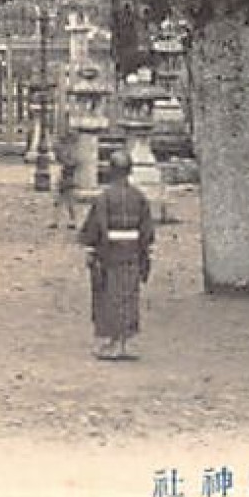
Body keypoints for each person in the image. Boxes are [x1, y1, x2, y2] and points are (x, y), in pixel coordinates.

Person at [78, 150, 154, 361]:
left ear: (111, 170)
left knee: (109, 296)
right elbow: (147, 231)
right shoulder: (139, 197)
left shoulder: (104, 198)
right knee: (129, 296)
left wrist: (92, 249)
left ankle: (113, 342)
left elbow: (96, 227)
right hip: (132, 253)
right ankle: (126, 343)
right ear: (130, 171)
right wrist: (144, 253)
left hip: (109, 253)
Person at [50, 128, 79, 230]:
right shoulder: (70, 149)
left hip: (68, 176)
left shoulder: (72, 151)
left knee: (68, 200)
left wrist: (63, 160)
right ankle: (57, 220)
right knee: (59, 200)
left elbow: (72, 163)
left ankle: (71, 221)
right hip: (64, 175)